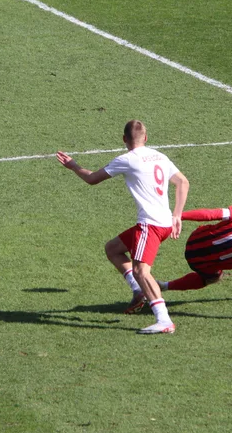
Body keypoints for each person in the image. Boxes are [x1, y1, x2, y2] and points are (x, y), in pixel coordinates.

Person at [57, 120, 189, 334]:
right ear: (146, 138)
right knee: (113, 249)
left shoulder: (127, 159)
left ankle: (164, 320)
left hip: (151, 225)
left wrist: (73, 166)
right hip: (164, 222)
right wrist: (177, 215)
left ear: (124, 140)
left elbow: (92, 179)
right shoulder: (160, 157)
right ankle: (138, 291)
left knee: (141, 271)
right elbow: (183, 182)